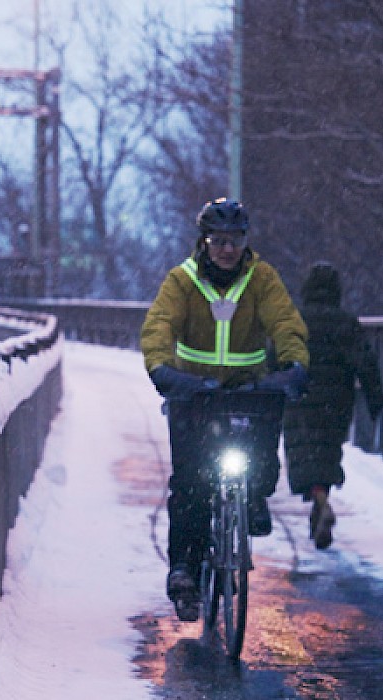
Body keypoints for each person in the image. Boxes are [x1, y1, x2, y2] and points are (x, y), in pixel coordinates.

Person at [140, 197, 309, 621]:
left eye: (234, 240)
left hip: (246, 390)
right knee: (191, 485)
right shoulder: (182, 281)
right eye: (219, 240)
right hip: (193, 394)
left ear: (244, 242)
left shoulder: (261, 278)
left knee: (262, 463)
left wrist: (293, 364)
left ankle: (253, 498)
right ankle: (185, 572)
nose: (227, 249)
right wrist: (164, 369)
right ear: (205, 242)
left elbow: (284, 322)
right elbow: (160, 325)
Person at [282, 261, 383, 550]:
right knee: (326, 454)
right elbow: (366, 362)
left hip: (299, 399)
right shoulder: (346, 323)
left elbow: (273, 356)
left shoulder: (294, 320)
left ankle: (317, 500)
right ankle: (320, 501)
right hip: (335, 402)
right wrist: (375, 397)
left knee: (303, 453)